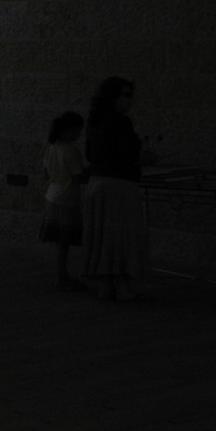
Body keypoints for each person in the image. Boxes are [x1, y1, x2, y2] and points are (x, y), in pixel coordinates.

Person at [83, 76, 149, 301]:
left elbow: (89, 154)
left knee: (104, 235)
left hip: (97, 183)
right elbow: (128, 154)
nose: (130, 101)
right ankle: (121, 285)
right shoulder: (120, 122)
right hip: (119, 184)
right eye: (126, 95)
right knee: (121, 235)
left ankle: (106, 284)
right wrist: (146, 156)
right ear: (113, 97)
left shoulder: (95, 121)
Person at [41, 111, 87, 292]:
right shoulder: (70, 151)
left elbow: (45, 174)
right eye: (78, 130)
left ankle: (61, 273)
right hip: (67, 199)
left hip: (52, 196)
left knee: (59, 240)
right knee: (65, 240)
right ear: (69, 130)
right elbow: (78, 178)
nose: (79, 134)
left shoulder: (51, 148)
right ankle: (61, 275)